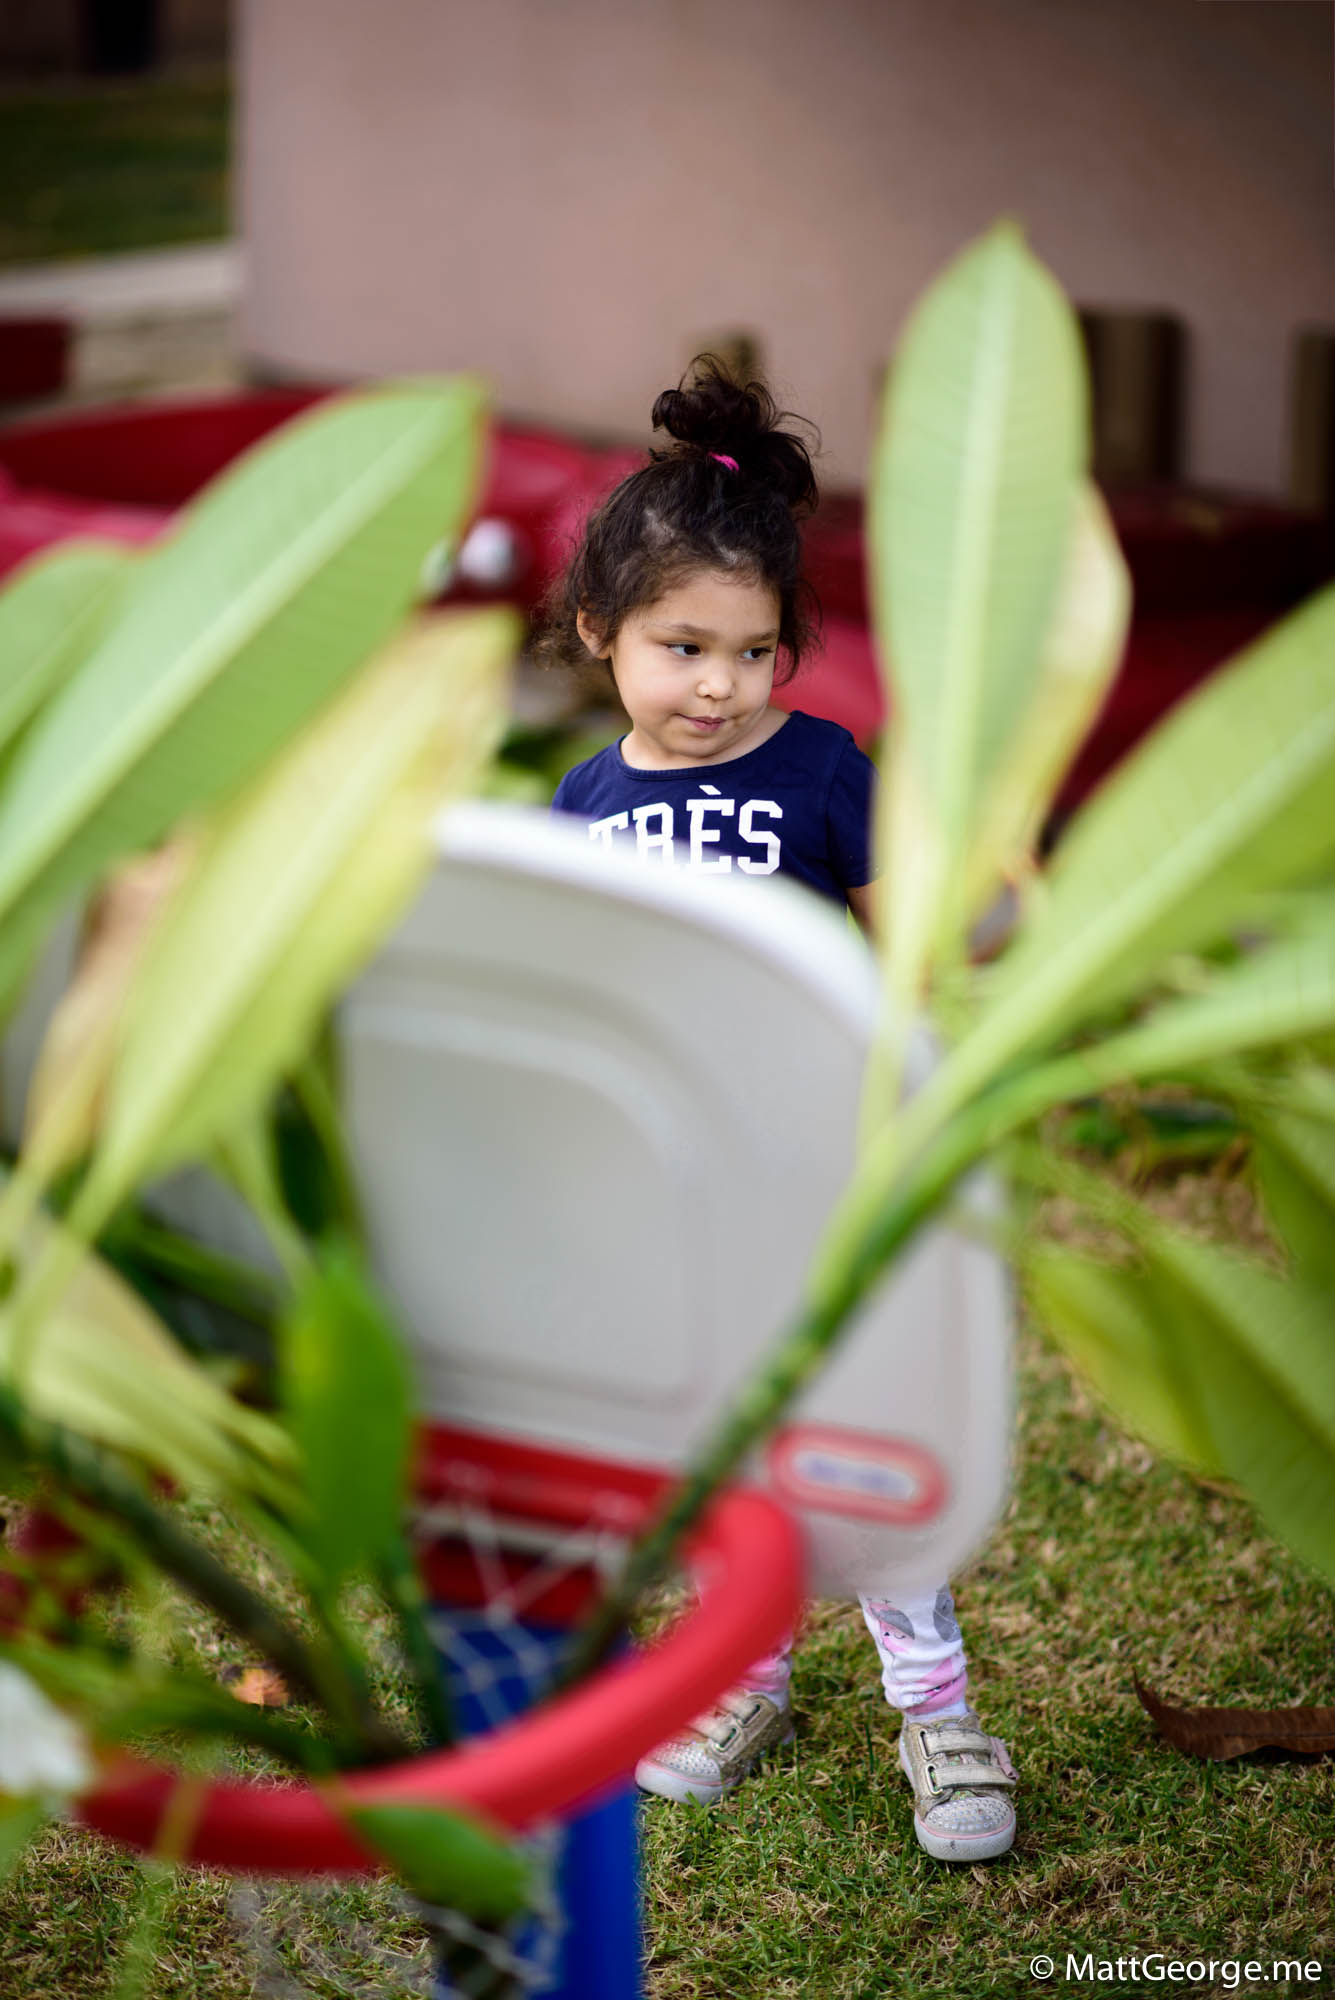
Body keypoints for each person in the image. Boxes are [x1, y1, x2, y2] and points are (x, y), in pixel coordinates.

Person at [532, 355, 1017, 1863]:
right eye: (684, 647)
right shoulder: (586, 809)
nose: (721, 686)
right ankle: (746, 1677)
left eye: (754, 652)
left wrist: (984, 901)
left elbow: (919, 938)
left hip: (832, 1177)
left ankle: (936, 1712)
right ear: (601, 632)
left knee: (859, 1453)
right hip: (681, 1204)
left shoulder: (821, 772)